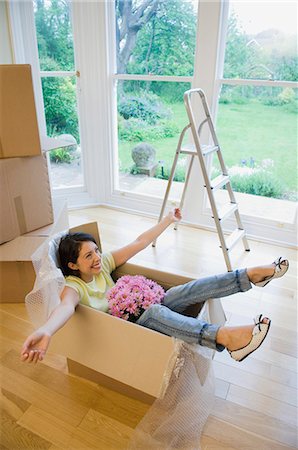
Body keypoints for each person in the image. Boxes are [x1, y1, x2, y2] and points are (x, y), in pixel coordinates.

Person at [20, 208, 289, 364]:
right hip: (129, 332)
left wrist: (168, 220)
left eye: (96, 251)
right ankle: (225, 338)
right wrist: (45, 330)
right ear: (73, 266)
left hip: (145, 309)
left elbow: (138, 242)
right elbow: (65, 308)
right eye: (88, 256)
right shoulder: (74, 287)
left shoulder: (104, 265)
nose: (97, 258)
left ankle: (249, 276)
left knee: (184, 291)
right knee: (157, 313)